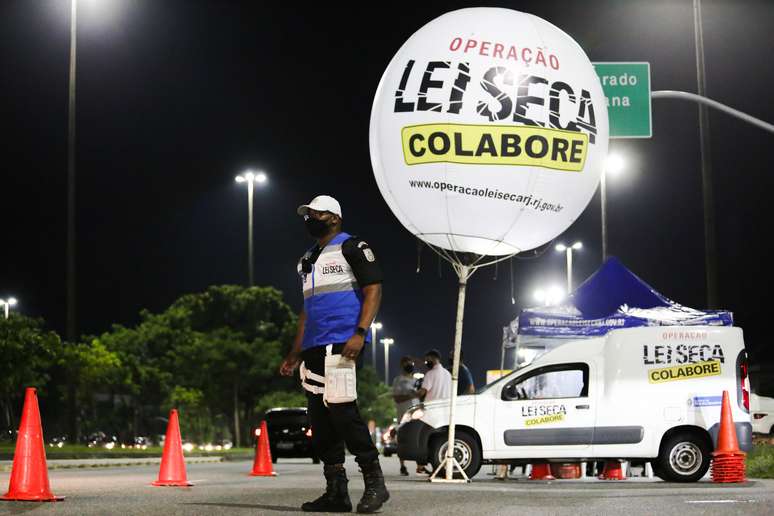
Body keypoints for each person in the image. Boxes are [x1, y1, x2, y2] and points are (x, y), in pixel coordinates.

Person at [279, 195, 389, 514]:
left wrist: (360, 332)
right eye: (307, 215)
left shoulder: (352, 247)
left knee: (343, 412)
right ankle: (336, 492)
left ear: (334, 218)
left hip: (342, 342)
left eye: (317, 214)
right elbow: (306, 310)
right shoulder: (307, 259)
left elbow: (374, 289)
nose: (310, 219)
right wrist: (295, 352)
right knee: (320, 421)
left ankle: (375, 484)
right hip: (313, 347)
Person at [414, 349, 452, 475]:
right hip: (445, 413)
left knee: (423, 438)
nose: (426, 362)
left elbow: (423, 391)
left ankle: (421, 464)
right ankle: (438, 466)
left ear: (433, 359)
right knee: (439, 440)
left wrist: (412, 393)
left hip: (431, 413)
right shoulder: (448, 374)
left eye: (427, 360)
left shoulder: (430, 374)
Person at [391, 356, 420, 476]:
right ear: (402, 366)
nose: (409, 365)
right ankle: (402, 466)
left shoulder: (417, 380)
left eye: (410, 363)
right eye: (406, 364)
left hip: (416, 413)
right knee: (402, 439)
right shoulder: (398, 380)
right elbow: (397, 398)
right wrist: (411, 396)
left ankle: (420, 466)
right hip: (403, 414)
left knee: (418, 437)